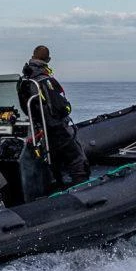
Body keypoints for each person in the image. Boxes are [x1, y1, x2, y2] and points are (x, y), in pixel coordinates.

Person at [17, 45, 90, 186]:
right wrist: (67, 108)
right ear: (48, 59)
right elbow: (60, 107)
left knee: (54, 158)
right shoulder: (45, 80)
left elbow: (25, 107)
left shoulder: (24, 81)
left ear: (33, 56)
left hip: (41, 127)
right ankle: (84, 190)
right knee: (77, 159)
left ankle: (59, 186)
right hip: (56, 127)